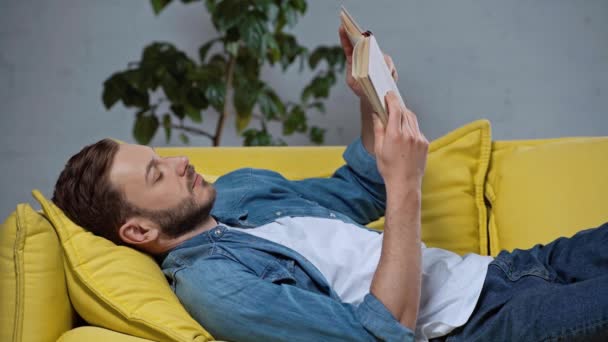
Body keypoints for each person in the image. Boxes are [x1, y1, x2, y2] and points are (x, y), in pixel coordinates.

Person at [51, 27, 608, 342]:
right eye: (156, 173)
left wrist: (369, 94)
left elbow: (357, 187)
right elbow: (378, 336)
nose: (179, 162)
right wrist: (406, 186)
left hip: (507, 270)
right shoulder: (218, 288)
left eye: (161, 155)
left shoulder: (237, 194)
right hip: (484, 326)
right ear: (138, 228)